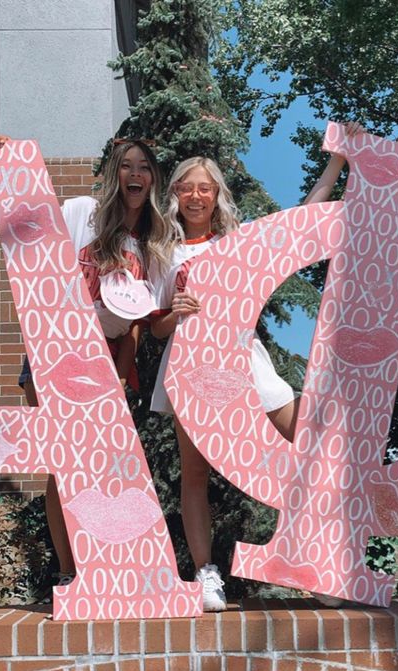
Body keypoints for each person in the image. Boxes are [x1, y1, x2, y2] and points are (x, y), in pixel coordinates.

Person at [150, 140, 356, 611]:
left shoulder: (240, 241)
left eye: (205, 188)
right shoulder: (163, 252)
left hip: (247, 361)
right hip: (190, 366)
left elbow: (305, 216)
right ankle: (206, 576)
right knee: (195, 473)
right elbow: (156, 326)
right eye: (187, 188)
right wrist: (172, 313)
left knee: (308, 441)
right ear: (176, 195)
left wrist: (337, 161)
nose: (196, 196)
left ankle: (317, 560)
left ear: (217, 194)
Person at [0, 135, 167, 585]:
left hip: (106, 361)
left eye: (144, 167)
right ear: (114, 175)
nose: (135, 174)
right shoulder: (80, 212)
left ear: (153, 179)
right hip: (55, 352)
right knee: (63, 463)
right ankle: (69, 573)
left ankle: (103, 570)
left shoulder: (149, 244)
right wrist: (6, 164)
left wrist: (123, 376)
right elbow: (30, 239)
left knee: (102, 467)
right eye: (127, 165)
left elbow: (137, 321)